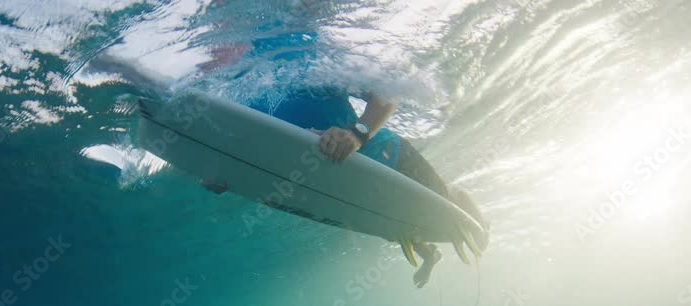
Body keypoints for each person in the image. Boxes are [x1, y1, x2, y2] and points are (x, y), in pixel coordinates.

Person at [199, 27, 490, 287]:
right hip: (335, 183)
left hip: (386, 158)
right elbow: (254, 147)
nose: (214, 41)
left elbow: (387, 95)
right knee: (390, 223)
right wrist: (229, 175)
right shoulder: (239, 89)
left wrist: (356, 134)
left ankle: (480, 229)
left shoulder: (301, 49)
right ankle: (430, 254)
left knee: (442, 199)